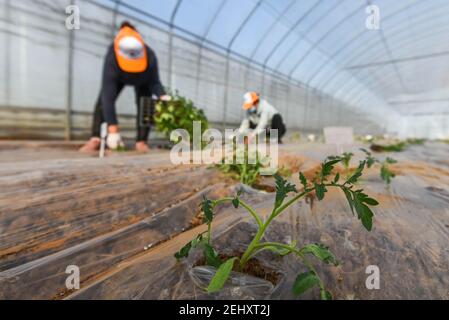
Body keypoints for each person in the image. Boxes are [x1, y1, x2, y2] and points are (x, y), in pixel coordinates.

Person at [80, 21, 170, 153]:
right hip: (119, 75)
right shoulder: (112, 54)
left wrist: (163, 96)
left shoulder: (149, 55)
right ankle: (96, 138)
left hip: (142, 77)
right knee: (102, 102)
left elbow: (154, 82)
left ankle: (141, 141)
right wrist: (113, 130)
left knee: (146, 105)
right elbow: (108, 97)